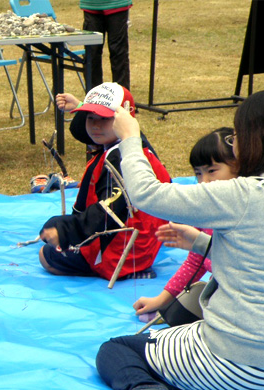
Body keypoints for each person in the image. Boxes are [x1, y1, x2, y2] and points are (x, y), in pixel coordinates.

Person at [95, 89, 264, 390]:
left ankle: (142, 387)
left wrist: (129, 137)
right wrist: (200, 242)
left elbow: (146, 194)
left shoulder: (241, 194)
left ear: (252, 139)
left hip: (239, 366)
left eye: (237, 135)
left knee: (117, 349)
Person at [38, 82, 171, 281]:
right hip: (145, 243)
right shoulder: (135, 147)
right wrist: (80, 106)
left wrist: (65, 229)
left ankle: (126, 272)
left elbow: (108, 212)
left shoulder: (116, 160)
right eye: (90, 118)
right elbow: (86, 131)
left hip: (124, 254)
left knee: (46, 255)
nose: (95, 125)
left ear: (122, 120)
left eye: (104, 118)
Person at [133, 127, 236, 320]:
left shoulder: (247, 213)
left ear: (240, 167)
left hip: (243, 305)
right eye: (198, 174)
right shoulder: (205, 210)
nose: (204, 181)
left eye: (212, 171)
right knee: (176, 314)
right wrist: (162, 300)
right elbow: (195, 262)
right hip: (220, 294)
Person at [80, 0, 132, 89]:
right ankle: (93, 98)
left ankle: (121, 96)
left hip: (117, 5)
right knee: (92, 54)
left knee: (119, 53)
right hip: (91, 5)